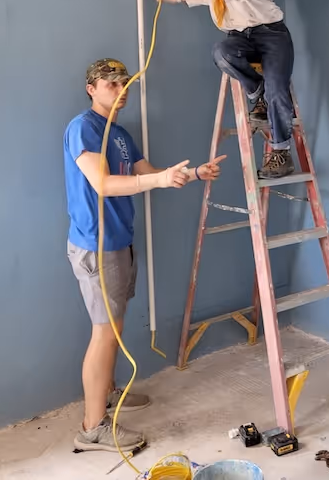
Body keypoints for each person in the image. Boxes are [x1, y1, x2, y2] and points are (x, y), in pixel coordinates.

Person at [64, 58, 225, 452]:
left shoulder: (119, 134)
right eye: (112, 85)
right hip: (97, 247)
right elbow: (102, 183)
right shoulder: (82, 127)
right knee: (103, 335)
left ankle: (109, 393)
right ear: (92, 88)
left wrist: (194, 174)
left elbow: (151, 172)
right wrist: (157, 178)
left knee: (114, 330)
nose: (121, 92)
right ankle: (92, 428)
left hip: (121, 243)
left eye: (125, 85)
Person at [136, 0, 295, 179]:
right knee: (222, 53)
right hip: (238, 38)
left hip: (271, 34)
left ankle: (280, 151)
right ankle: (257, 92)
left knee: (278, 91)